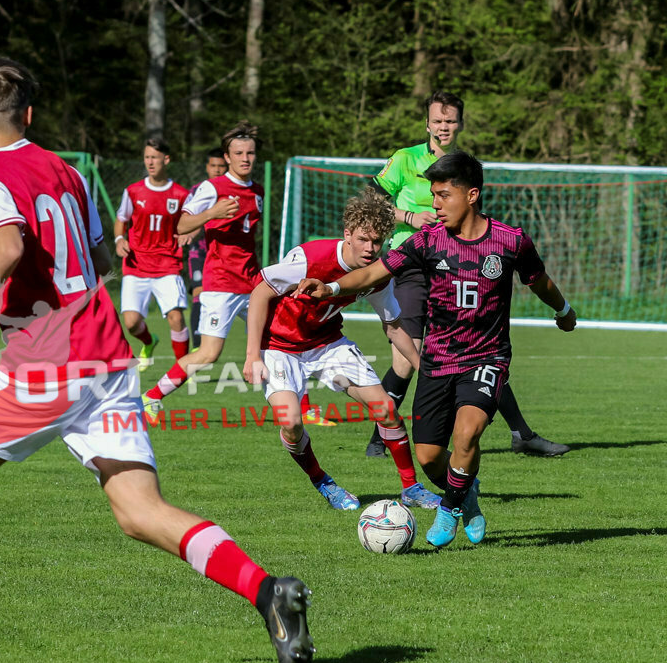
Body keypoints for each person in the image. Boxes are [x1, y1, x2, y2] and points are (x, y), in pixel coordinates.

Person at [0, 57, 315, 663]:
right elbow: (102, 256)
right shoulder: (68, 171)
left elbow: (7, 247)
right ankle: (267, 591)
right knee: (139, 511)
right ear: (29, 115)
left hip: (49, 361)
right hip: (106, 357)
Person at [298, 152, 577, 547]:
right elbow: (374, 272)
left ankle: (449, 507)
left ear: (472, 194)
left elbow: (540, 280)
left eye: (444, 195)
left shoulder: (510, 240)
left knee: (467, 433)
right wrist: (332, 287)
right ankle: (468, 494)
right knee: (429, 456)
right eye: (433, 195)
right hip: (438, 360)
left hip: (487, 357)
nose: (435, 204)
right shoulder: (426, 241)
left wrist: (564, 311)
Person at [364, 90, 570, 459]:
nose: (443, 127)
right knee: (405, 357)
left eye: (450, 121)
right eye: (437, 121)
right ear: (427, 123)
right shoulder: (404, 159)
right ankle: (382, 435)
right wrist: (409, 218)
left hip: (459, 266)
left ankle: (521, 433)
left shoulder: (463, 165)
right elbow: (371, 199)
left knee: (478, 353)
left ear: (459, 124)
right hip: (412, 265)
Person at [243, 190, 441, 511]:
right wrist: (253, 354)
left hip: (327, 343)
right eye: (363, 239)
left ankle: (412, 488)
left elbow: (392, 326)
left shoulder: (377, 276)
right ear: (347, 234)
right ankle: (323, 481)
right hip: (279, 347)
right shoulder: (311, 258)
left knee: (386, 410)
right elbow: (260, 292)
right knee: (291, 423)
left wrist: (423, 367)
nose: (370, 248)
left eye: (377, 241)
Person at [142, 121, 263, 413]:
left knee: (280, 341)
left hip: (253, 283)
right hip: (221, 283)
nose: (245, 158)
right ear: (227, 156)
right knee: (209, 354)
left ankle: (306, 410)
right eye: (239, 153)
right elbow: (181, 224)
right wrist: (212, 213)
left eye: (250, 153)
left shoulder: (257, 191)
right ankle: (151, 397)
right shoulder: (213, 188)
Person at [113, 139, 192, 371]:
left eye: (154, 157)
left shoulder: (180, 194)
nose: (150, 162)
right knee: (131, 323)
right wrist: (119, 240)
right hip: (136, 266)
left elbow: (194, 221)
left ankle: (182, 369)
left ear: (166, 160)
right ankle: (149, 342)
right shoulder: (133, 191)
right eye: (147, 157)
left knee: (176, 318)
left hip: (167, 265)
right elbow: (121, 220)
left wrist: (191, 234)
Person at [185, 148, 229, 349]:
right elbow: (186, 222)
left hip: (225, 252)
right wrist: (192, 231)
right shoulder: (197, 191)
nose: (217, 170)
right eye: (214, 166)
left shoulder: (231, 190)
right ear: (207, 167)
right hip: (200, 250)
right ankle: (197, 346)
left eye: (221, 166)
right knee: (198, 292)